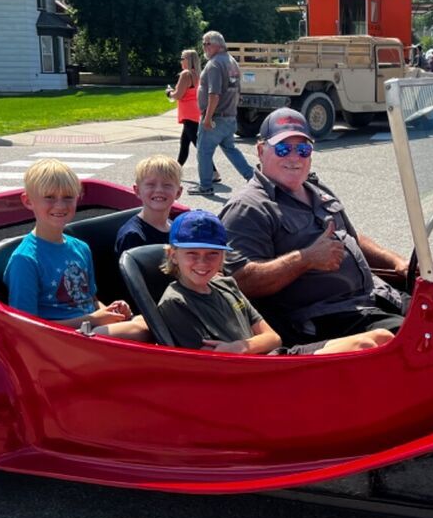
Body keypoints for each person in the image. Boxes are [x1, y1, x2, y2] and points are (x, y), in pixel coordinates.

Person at [219, 107, 408, 345]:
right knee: (419, 340)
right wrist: (306, 258)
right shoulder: (248, 207)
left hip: (374, 296)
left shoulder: (315, 189)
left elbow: (350, 238)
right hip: (325, 319)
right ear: (260, 150)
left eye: (303, 149)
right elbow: (241, 281)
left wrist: (396, 262)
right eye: (283, 148)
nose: (294, 157)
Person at [157, 209, 394, 355]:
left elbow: (273, 337)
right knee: (363, 347)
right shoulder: (176, 303)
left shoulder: (226, 285)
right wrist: (247, 347)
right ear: (172, 255)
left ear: (222, 257)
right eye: (192, 254)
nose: (203, 262)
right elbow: (212, 366)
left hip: (275, 355)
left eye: (212, 254)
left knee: (383, 337)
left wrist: (240, 347)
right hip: (260, 375)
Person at [4, 159, 149, 339]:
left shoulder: (80, 247)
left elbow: (91, 302)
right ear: (28, 201)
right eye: (49, 197)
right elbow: (26, 326)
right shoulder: (25, 259)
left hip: (90, 330)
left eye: (68, 197)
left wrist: (112, 312)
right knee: (142, 329)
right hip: (61, 341)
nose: (60, 205)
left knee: (152, 319)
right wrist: (93, 320)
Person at [191, 30, 254, 195]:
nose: (204, 47)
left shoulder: (214, 64)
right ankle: (253, 177)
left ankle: (205, 186)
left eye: (207, 44)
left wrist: (208, 118)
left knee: (203, 151)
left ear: (218, 46)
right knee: (230, 149)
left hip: (216, 117)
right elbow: (237, 90)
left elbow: (214, 94)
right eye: (203, 44)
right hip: (229, 115)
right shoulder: (232, 62)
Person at [115, 155, 182, 255]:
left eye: (167, 185)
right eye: (151, 184)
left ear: (178, 192)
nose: (159, 190)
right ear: (137, 191)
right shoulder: (133, 236)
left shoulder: (177, 229)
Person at [165, 49, 206, 173]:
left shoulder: (185, 74)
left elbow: (178, 95)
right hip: (195, 110)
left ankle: (213, 171)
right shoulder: (198, 74)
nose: (181, 61)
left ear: (189, 60)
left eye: (183, 58)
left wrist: (168, 93)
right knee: (184, 143)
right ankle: (176, 169)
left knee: (197, 145)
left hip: (188, 112)